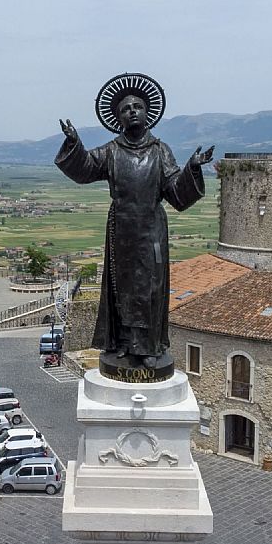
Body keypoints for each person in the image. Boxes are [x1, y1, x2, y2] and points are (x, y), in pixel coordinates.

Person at [56, 75, 213, 371]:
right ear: (118, 118)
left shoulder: (160, 151)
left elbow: (176, 192)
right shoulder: (111, 151)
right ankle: (123, 343)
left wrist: (192, 167)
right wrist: (74, 143)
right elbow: (86, 169)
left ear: (147, 112)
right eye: (126, 108)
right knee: (122, 289)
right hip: (121, 232)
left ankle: (150, 346)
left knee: (150, 289)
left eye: (137, 106)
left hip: (152, 230)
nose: (132, 111)